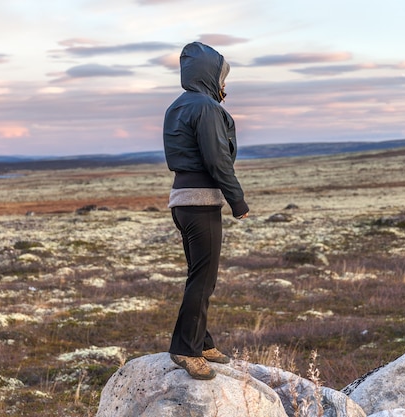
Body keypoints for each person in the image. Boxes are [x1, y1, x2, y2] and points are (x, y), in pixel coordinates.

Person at [163, 41, 250, 380]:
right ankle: (185, 349)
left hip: (182, 202)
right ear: (210, 75)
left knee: (200, 276)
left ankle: (202, 341)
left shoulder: (178, 106)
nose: (224, 85)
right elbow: (217, 159)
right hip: (201, 203)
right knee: (203, 278)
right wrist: (237, 201)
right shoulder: (207, 108)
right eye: (222, 77)